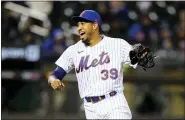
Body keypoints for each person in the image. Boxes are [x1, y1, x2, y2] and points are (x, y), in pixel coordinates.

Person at [47, 10, 155, 119]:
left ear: (95, 25)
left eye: (83, 23)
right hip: (90, 108)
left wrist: (144, 56)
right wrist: (53, 80)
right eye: (78, 24)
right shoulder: (73, 51)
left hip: (114, 102)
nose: (79, 27)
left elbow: (144, 59)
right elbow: (55, 73)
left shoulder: (117, 44)